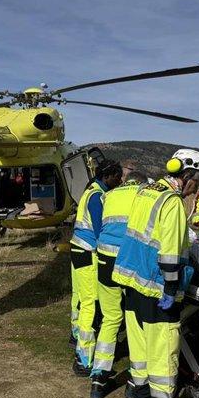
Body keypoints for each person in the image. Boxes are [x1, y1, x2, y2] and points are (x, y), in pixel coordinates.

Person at [112, 148, 199, 398]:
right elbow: (169, 253)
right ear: (188, 174)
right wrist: (171, 288)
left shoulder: (146, 191)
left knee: (140, 351)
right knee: (163, 354)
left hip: (132, 283)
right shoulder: (172, 202)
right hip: (157, 288)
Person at [91, 170, 148, 398]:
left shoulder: (110, 194)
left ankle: (98, 377)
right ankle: (136, 380)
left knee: (110, 317)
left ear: (126, 180)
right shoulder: (145, 194)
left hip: (104, 258)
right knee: (134, 319)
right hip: (128, 260)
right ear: (143, 182)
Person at [69, 159, 123, 376]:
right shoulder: (97, 196)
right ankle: (85, 358)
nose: (118, 181)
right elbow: (102, 229)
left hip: (78, 247)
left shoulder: (90, 190)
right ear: (107, 175)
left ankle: (76, 336)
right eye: (117, 177)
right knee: (90, 303)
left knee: (80, 298)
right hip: (88, 250)